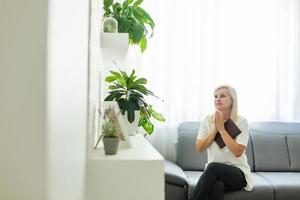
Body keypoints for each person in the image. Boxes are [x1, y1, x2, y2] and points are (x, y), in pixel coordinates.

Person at [190, 85, 253, 200]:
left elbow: (238, 151)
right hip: (214, 174)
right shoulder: (207, 120)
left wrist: (222, 130)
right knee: (217, 186)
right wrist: (214, 130)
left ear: (232, 100)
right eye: (215, 96)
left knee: (212, 167)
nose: (218, 99)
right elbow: (199, 147)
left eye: (222, 96)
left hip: (238, 173)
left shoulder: (241, 121)